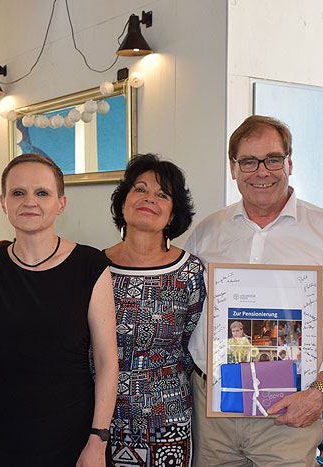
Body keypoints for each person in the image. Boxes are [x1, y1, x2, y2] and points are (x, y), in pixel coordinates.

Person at [185, 115, 323, 465]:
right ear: (233, 168)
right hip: (212, 412)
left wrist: (321, 394)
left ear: (289, 163)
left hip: (290, 410)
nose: (262, 171)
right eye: (249, 162)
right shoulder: (208, 232)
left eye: (273, 159)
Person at [0, 153, 118, 466]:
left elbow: (107, 361)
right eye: (18, 193)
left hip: (76, 437)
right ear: (3, 202)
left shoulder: (91, 266)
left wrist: (97, 440)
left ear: (60, 203)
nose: (30, 202)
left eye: (42, 193)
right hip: (0, 435)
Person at [104, 154, 205, 467]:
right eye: (140, 189)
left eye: (163, 194)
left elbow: (193, 346)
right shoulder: (93, 268)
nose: (150, 198)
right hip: (99, 418)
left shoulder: (189, 271)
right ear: (123, 204)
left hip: (167, 418)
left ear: (173, 213)